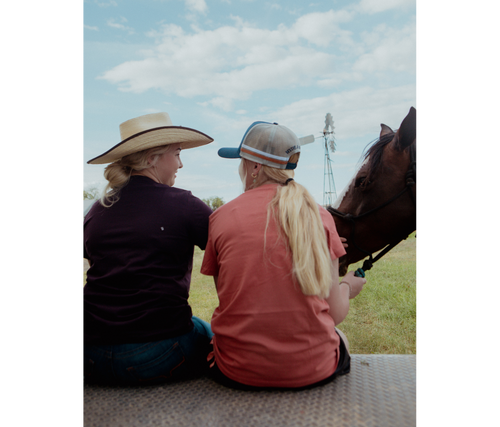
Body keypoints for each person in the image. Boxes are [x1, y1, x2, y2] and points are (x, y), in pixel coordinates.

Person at [201, 121, 366, 390]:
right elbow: (334, 314)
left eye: (242, 161)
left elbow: (229, 298)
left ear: (255, 167)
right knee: (340, 336)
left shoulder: (221, 217)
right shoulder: (320, 216)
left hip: (236, 371)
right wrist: (347, 286)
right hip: (313, 371)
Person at [80, 112, 215, 385]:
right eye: (177, 153)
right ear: (152, 157)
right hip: (158, 353)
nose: (181, 163)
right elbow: (230, 245)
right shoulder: (184, 204)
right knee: (207, 330)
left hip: (90, 353)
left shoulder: (98, 208)